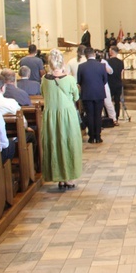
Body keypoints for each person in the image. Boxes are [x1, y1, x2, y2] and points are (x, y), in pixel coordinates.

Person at [41, 49, 82, 189]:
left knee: (55, 144)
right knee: (68, 143)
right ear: (62, 63)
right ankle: (68, 177)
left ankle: (59, 177)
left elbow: (43, 93)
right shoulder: (70, 79)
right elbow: (76, 97)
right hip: (67, 115)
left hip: (51, 115)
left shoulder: (44, 79)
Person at [77, 47, 108, 144]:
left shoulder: (81, 66)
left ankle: (91, 137)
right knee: (98, 115)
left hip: (87, 94)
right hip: (99, 93)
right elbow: (105, 80)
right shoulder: (101, 66)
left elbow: (79, 81)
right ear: (94, 54)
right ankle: (98, 137)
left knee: (90, 115)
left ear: (85, 56)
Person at [107, 46, 125, 120]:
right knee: (117, 101)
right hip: (118, 83)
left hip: (110, 83)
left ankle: (110, 117)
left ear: (111, 52)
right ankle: (117, 116)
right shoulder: (121, 62)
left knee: (108, 101)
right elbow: (122, 73)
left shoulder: (107, 61)